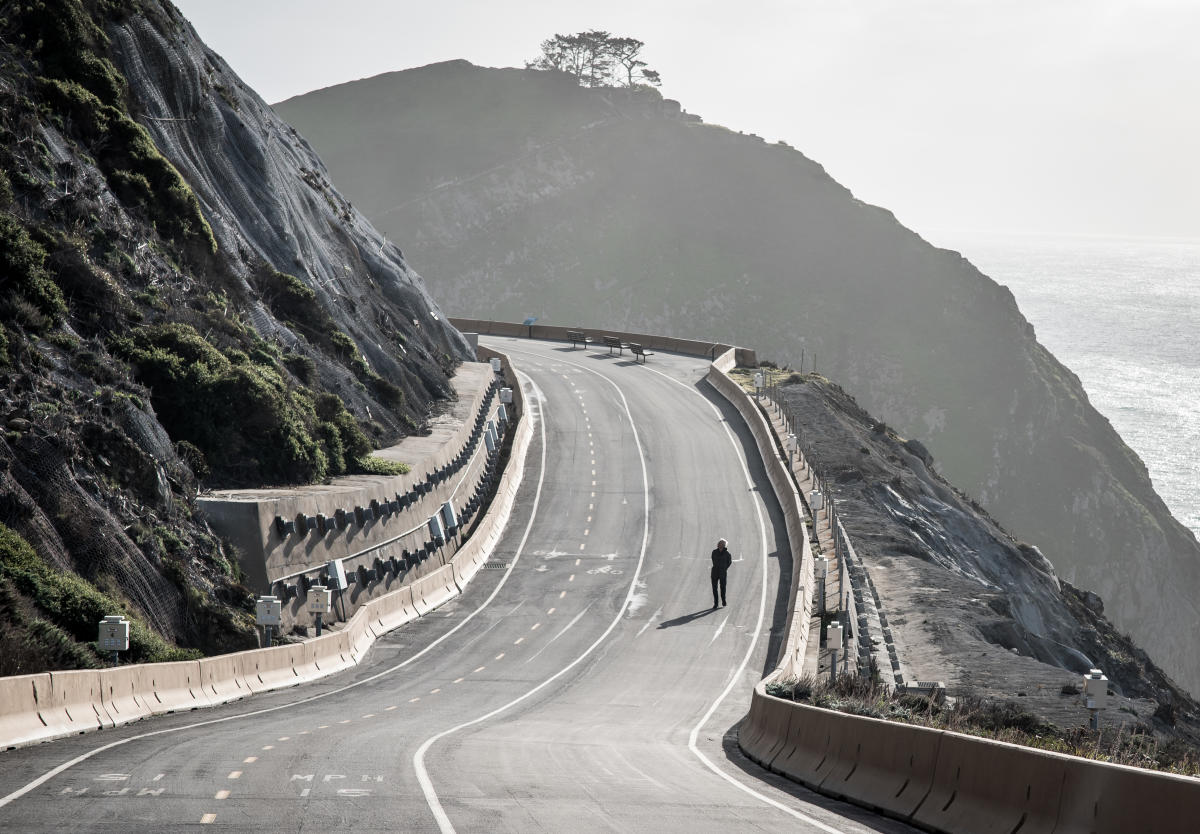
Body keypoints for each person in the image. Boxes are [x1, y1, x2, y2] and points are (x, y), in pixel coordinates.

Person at [711, 538, 732, 607]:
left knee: (723, 588)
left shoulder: (727, 554)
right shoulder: (714, 552)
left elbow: (729, 562)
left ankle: (723, 601)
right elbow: (713, 559)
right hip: (714, 573)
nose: (720, 545)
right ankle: (716, 603)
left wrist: (724, 568)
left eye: (722, 544)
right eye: (719, 543)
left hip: (722, 573)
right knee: (714, 588)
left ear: (724, 545)